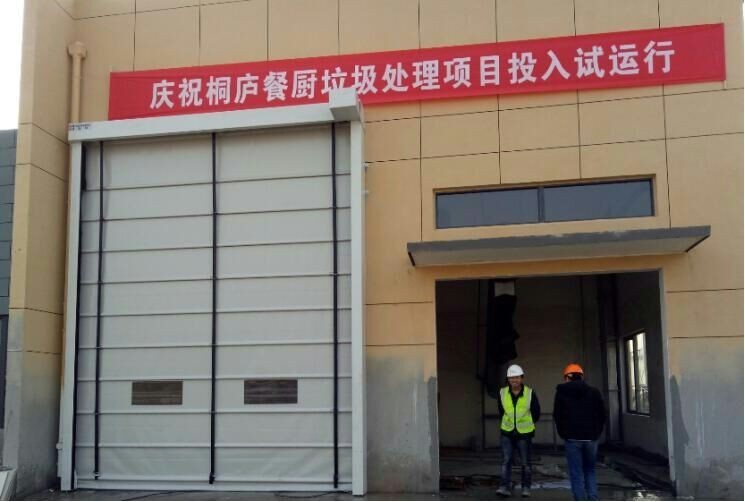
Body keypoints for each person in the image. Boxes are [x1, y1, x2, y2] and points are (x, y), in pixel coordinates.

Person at [553, 363, 606, 501]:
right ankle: (593, 498)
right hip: (591, 439)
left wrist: (563, 433)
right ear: (581, 377)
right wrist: (597, 433)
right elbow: (602, 414)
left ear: (567, 378)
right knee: (590, 470)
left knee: (576, 473)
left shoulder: (562, 393)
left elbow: (557, 415)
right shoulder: (594, 392)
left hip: (572, 439)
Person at [496, 364, 540, 498]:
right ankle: (504, 487)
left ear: (522, 378)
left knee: (525, 462)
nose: (514, 380)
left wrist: (525, 424)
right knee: (506, 460)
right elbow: (501, 411)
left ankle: (526, 487)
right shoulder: (502, 392)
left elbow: (536, 412)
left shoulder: (529, 393)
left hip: (524, 434)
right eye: (511, 378)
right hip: (507, 432)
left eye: (516, 377)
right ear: (508, 379)